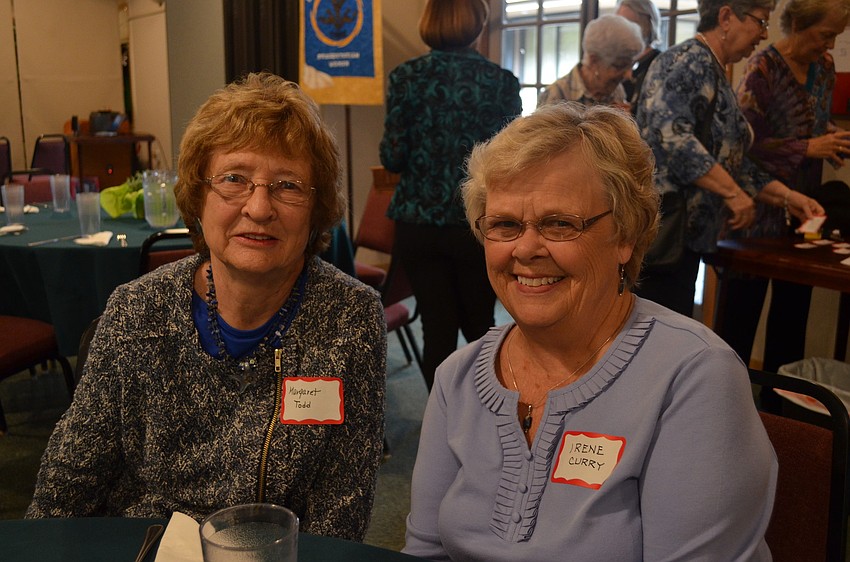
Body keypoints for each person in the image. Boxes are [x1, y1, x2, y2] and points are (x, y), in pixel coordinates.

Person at [403, 102, 777, 560]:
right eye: (504, 224)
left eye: (560, 224)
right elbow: (424, 552)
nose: (526, 249)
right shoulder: (456, 378)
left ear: (626, 236)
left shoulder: (695, 379)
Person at [26, 73, 388, 541]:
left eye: (287, 185)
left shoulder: (350, 319)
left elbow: (340, 518)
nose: (259, 208)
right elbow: (64, 492)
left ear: (316, 209)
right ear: (197, 196)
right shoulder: (137, 312)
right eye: (234, 179)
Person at [635, 0, 823, 316]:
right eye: (761, 22)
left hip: (684, 243)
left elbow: (730, 162)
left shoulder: (713, 69)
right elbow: (671, 137)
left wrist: (789, 198)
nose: (764, 34)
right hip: (664, 241)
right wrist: (733, 194)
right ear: (725, 17)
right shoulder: (688, 62)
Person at [380, 0, 522, 390]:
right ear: (478, 23)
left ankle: (444, 418)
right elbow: (510, 163)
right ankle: (482, 417)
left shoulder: (406, 77)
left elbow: (392, 156)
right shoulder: (502, 82)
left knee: (436, 327)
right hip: (478, 222)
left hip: (418, 223)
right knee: (480, 325)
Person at [730, 0, 850, 371]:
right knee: (739, 321)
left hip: (804, 209)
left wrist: (830, 139)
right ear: (797, 23)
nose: (829, 46)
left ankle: (784, 412)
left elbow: (810, 124)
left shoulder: (824, 68)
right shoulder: (761, 70)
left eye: (836, 37)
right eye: (825, 35)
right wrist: (808, 147)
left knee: (793, 315)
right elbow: (742, 147)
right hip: (756, 213)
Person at [537, 14, 644, 110]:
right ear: (594, 61)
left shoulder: (617, 90)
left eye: (631, 66)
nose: (628, 74)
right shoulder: (556, 95)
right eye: (619, 66)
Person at [616, 0, 663, 112]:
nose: (617, 29)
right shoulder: (618, 61)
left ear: (646, 24)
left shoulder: (659, 63)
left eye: (624, 22)